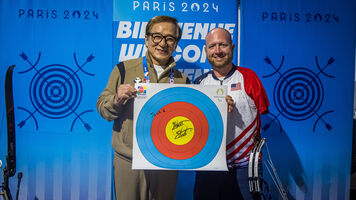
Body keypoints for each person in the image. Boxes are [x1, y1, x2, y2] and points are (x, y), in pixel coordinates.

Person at [97, 15, 190, 200]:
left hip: (166, 163)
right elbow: (102, 108)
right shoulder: (123, 69)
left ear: (176, 44)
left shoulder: (183, 80)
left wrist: (220, 103)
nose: (163, 43)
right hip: (129, 160)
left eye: (170, 38)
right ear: (147, 39)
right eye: (157, 36)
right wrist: (116, 99)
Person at [193, 28, 270, 200]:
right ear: (206, 51)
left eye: (223, 45)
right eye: (212, 46)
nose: (218, 50)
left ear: (232, 48)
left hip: (244, 168)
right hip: (208, 167)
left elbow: (263, 111)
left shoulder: (249, 77)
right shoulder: (199, 83)